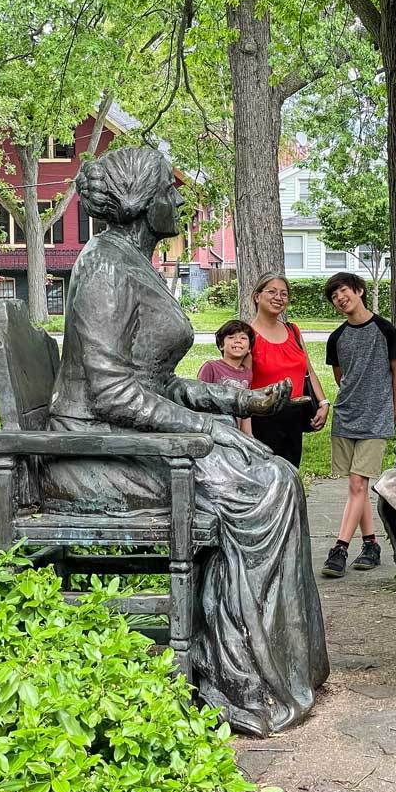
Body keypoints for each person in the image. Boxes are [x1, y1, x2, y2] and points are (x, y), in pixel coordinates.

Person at [42, 146, 329, 736]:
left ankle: (257, 662)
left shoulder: (129, 261)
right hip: (93, 451)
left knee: (272, 476)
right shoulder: (106, 269)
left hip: (126, 437)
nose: (179, 200)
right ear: (143, 202)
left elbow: (155, 381)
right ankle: (239, 676)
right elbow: (112, 394)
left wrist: (234, 403)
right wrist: (210, 431)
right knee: (263, 491)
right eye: (170, 192)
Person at [320, 272, 396, 578]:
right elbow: (341, 378)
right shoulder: (336, 338)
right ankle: (371, 544)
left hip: (375, 417)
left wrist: (393, 409)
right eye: (334, 297)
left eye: (343, 291)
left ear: (358, 291)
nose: (340, 298)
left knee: (358, 483)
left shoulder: (385, 329)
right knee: (358, 484)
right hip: (346, 417)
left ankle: (339, 549)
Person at [248, 273, 330, 467]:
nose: (278, 297)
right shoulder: (246, 335)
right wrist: (246, 430)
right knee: (266, 480)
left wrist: (324, 403)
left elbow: (308, 370)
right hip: (261, 419)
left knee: (290, 476)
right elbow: (241, 384)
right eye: (272, 291)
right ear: (257, 296)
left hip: (293, 418)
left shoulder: (293, 330)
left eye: (284, 294)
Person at [198, 319, 254, 435]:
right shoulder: (211, 367)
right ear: (221, 345)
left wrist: (249, 436)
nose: (238, 341)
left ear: (249, 348)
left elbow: (246, 410)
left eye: (243, 338)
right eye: (231, 337)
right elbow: (198, 401)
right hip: (213, 431)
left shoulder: (248, 374)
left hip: (236, 433)